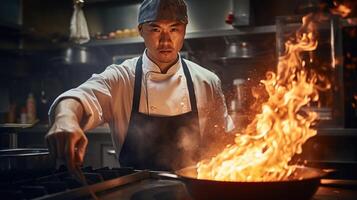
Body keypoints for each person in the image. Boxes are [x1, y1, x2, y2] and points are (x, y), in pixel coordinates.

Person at [45, 0, 234, 172]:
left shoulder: (207, 81)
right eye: (156, 29)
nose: (166, 40)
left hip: (193, 191)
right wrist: (65, 118)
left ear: (184, 30)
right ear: (140, 30)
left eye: (174, 29)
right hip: (134, 191)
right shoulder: (122, 78)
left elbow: (222, 143)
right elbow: (79, 97)